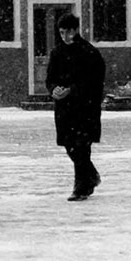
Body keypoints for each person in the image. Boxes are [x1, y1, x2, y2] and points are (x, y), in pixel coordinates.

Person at [45, 13, 106, 201]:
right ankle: (91, 176)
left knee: (81, 147)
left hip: (85, 109)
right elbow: (50, 78)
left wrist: (71, 90)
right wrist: (54, 89)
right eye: (61, 32)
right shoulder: (57, 53)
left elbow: (95, 82)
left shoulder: (89, 53)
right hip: (65, 110)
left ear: (75, 30)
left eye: (67, 32)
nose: (64, 36)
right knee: (70, 146)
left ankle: (81, 187)